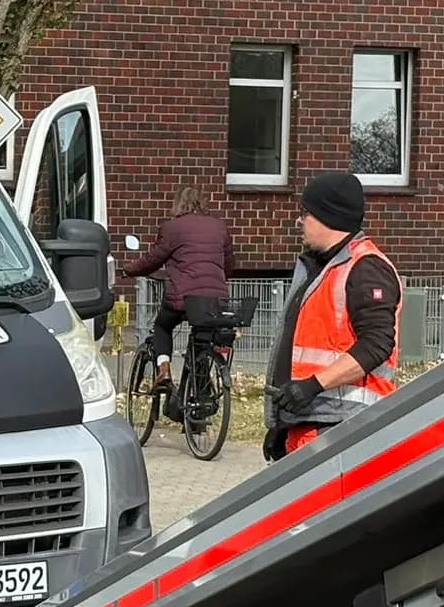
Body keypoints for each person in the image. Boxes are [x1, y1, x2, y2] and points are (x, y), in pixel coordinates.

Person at [263, 170, 402, 460]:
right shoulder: (322, 267)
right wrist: (282, 424)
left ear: (328, 217)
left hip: (342, 427)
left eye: (305, 213)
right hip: (312, 421)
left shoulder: (366, 268)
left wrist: (312, 386)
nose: (299, 221)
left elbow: (376, 344)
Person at [122, 184, 236, 417]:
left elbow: (153, 259)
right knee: (202, 339)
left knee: (162, 326)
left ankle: (163, 370)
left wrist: (128, 270)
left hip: (183, 298)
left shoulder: (172, 228)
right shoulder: (219, 227)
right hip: (215, 300)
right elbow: (229, 265)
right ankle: (199, 399)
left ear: (178, 204)